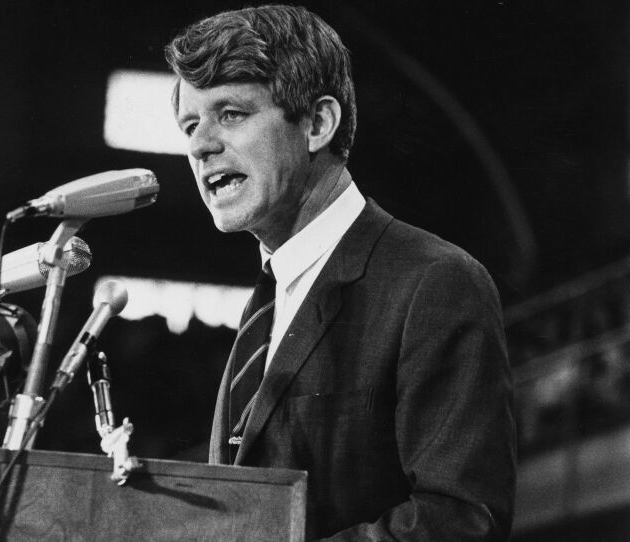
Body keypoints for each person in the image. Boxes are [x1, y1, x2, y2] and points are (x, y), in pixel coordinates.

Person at [165, 5, 516, 541]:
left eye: (230, 114)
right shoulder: (270, 300)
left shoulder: (435, 281)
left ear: (317, 123)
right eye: (190, 124)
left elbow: (459, 520)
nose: (200, 144)